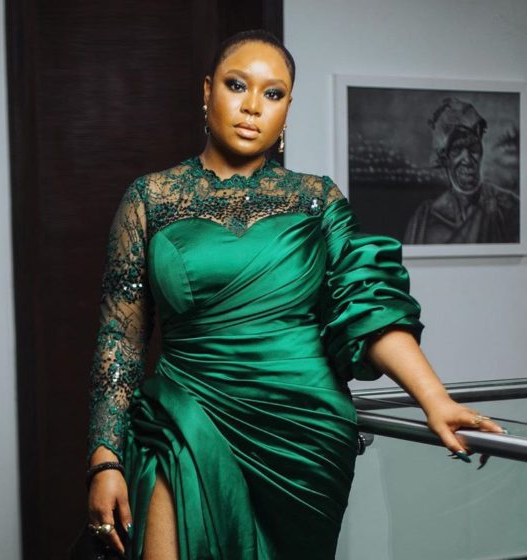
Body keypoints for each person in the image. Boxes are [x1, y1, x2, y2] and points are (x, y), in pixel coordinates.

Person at [85, 30, 505, 560]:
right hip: (184, 418)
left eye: (273, 93)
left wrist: (435, 400)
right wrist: (104, 459)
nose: (252, 106)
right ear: (208, 90)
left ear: (287, 109)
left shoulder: (316, 199)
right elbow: (120, 340)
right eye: (237, 85)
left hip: (302, 437)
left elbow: (370, 310)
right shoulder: (150, 198)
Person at [404, 97, 520, 244]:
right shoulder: (424, 219)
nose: (467, 159)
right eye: (457, 149)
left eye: (473, 147)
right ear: (444, 158)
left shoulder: (507, 207)